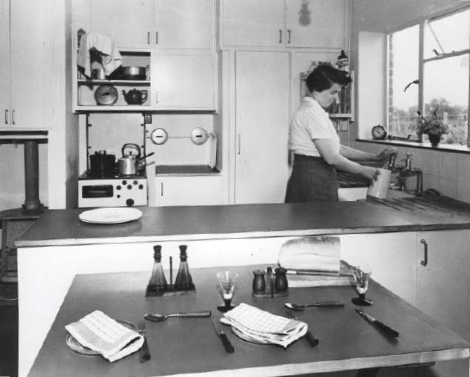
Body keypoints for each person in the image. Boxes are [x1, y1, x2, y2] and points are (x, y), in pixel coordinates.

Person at [285, 64, 396, 203]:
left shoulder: (314, 110)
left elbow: (337, 149)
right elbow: (331, 157)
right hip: (313, 179)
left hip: (313, 176)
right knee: (317, 223)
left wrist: (375, 158)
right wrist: (362, 170)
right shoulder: (312, 112)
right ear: (317, 89)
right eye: (333, 92)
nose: (336, 98)